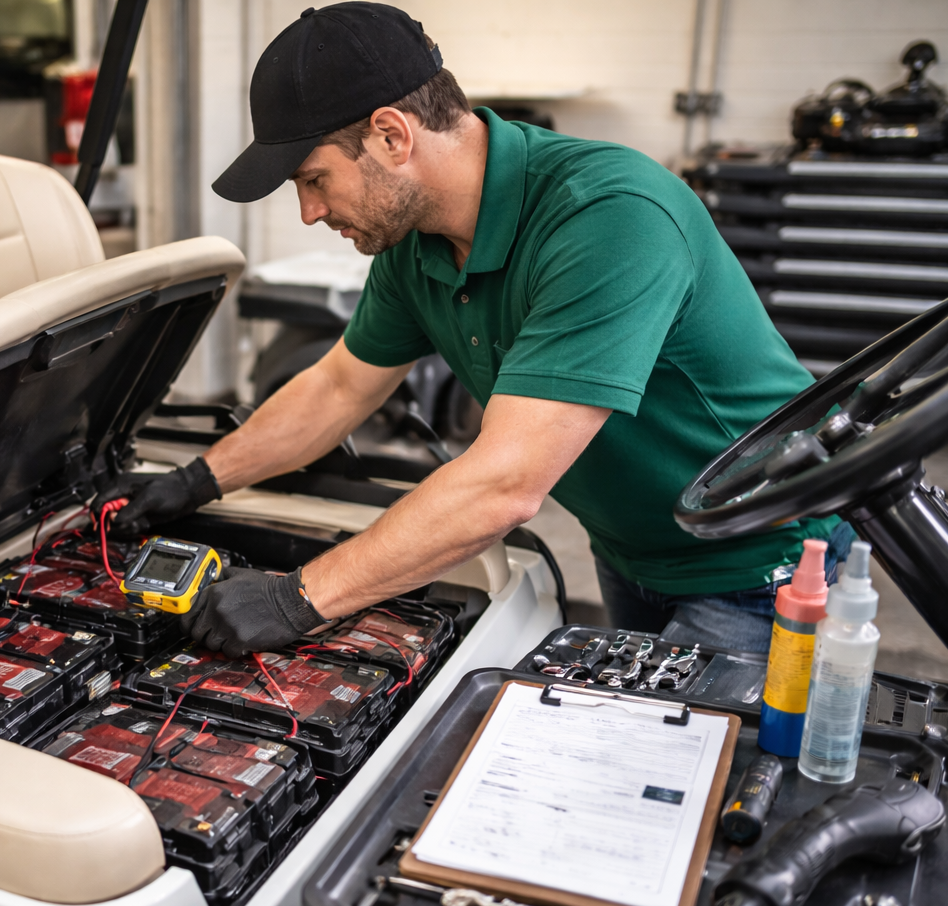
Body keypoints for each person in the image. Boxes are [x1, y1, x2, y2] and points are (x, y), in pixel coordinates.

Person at [101, 1, 852, 656]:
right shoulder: (416, 244)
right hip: (632, 552)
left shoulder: (608, 218)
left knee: (692, 786)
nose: (308, 212)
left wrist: (298, 597)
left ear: (392, 137)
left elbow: (505, 484)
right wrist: (198, 479)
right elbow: (337, 388)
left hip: (761, 562)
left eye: (313, 179)